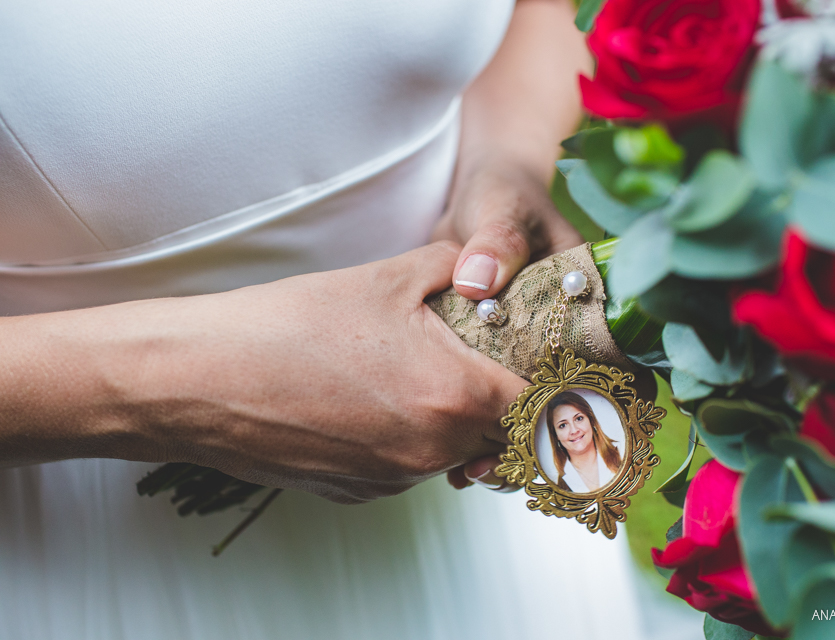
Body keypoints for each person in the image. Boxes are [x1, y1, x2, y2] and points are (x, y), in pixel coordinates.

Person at [0, 1, 674, 639]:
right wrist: (183, 389)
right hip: (97, 529)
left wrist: (506, 160)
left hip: (470, 494)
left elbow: (531, 12)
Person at [546, 391, 622, 493]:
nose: (574, 430)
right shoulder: (552, 483)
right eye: (563, 425)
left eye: (579, 418)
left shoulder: (623, 452)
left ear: (591, 420)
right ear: (556, 435)